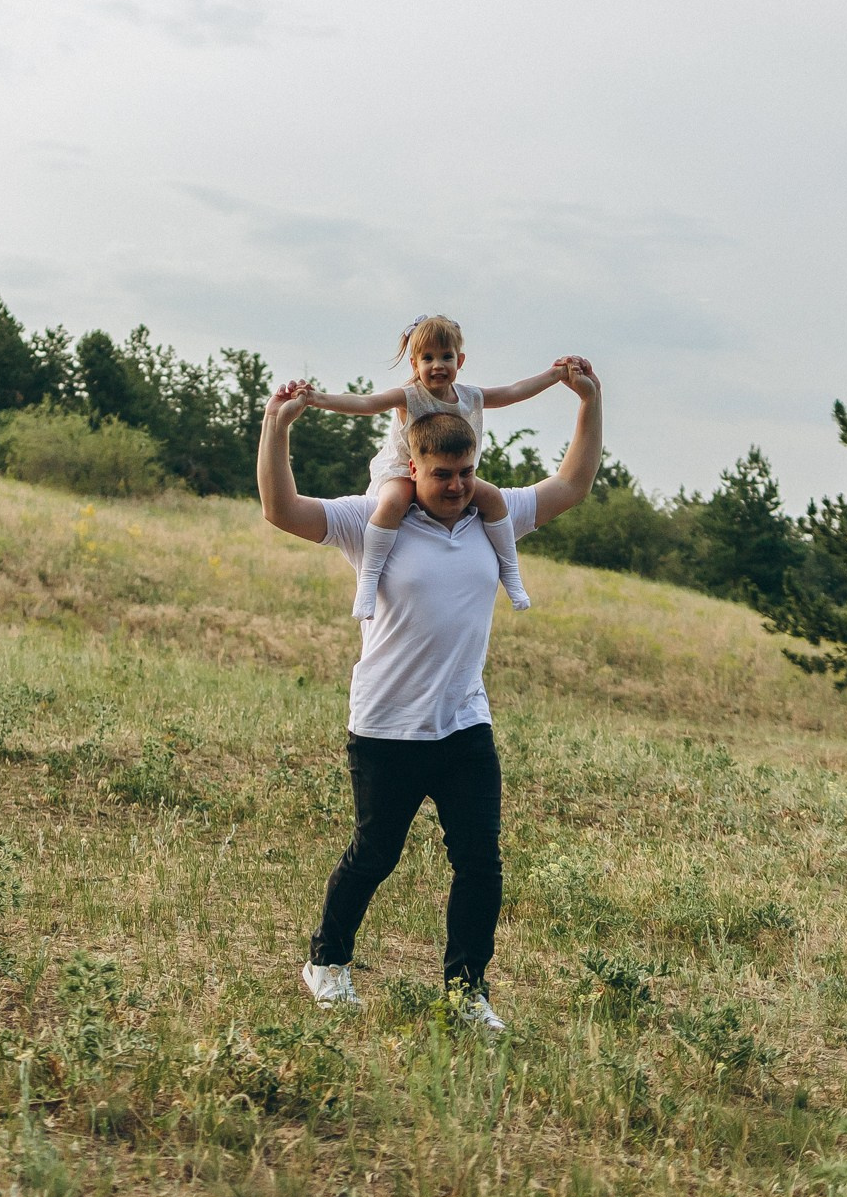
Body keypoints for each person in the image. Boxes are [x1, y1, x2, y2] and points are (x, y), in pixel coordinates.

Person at [257, 356, 604, 1029]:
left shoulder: (490, 519)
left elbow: (571, 483)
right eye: (442, 475)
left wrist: (589, 403)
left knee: (481, 860)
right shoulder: (370, 521)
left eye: (467, 472)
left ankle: (467, 991)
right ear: (410, 468)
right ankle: (327, 962)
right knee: (374, 853)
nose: (457, 486)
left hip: (464, 727)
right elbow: (281, 509)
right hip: (387, 726)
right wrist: (278, 428)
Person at [297, 315, 576, 619]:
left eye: (446, 356)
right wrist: (316, 398)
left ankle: (511, 576)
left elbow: (513, 392)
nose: (438, 365)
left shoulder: (469, 397)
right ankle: (368, 582)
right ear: (415, 365)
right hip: (403, 471)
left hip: (450, 474)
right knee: (391, 503)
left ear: (460, 360)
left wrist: (555, 375)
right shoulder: (408, 397)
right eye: (428, 358)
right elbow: (366, 404)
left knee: (494, 498)